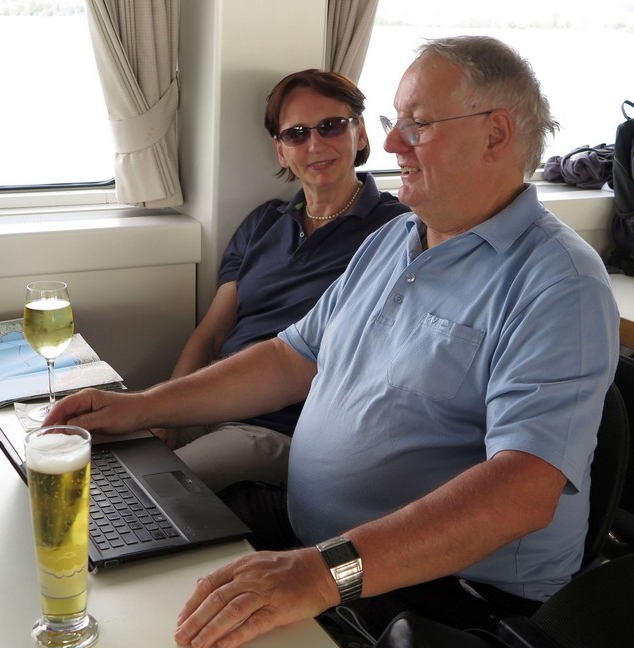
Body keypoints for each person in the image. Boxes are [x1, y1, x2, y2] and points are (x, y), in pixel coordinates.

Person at [44, 35, 620, 647]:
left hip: (446, 592)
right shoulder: (393, 240)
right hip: (318, 548)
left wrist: (321, 574)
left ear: (495, 134)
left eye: (418, 124)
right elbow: (287, 359)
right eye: (395, 123)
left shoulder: (560, 283)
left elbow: (521, 492)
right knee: (122, 547)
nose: (392, 144)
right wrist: (140, 407)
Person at [157, 69, 407, 494]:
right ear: (281, 151)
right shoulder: (263, 223)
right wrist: (165, 413)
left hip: (279, 426)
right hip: (212, 397)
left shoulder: (396, 230)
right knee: (110, 458)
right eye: (297, 134)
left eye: (331, 126)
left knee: (157, 490)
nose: (315, 144)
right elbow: (213, 331)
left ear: (361, 132)